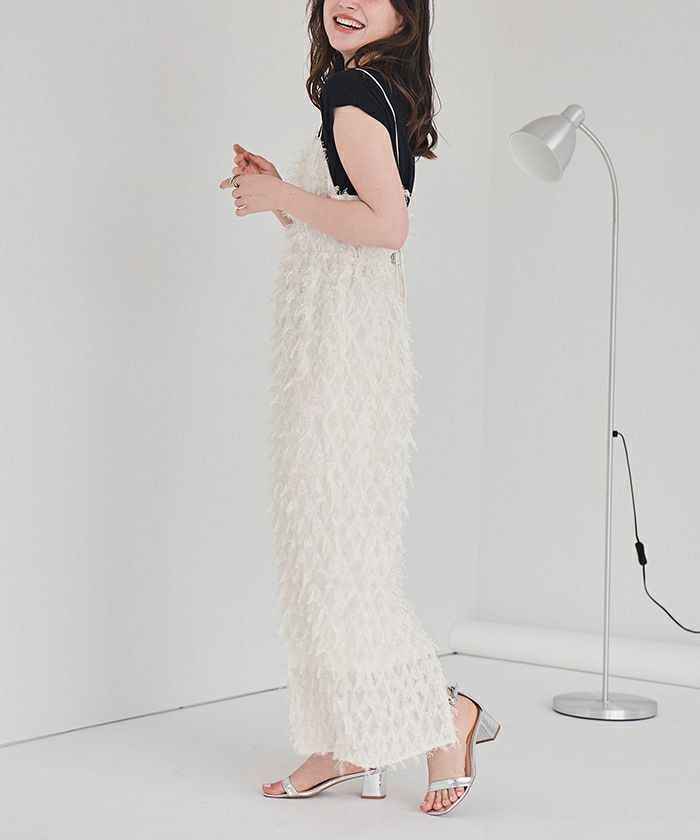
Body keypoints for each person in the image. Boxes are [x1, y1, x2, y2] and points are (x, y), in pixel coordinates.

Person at [219, 0, 500, 816]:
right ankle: (347, 736)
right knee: (323, 543)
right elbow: (343, 229)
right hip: (342, 332)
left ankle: (443, 715)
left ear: (403, 13)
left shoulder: (353, 90)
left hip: (340, 344)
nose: (346, 1)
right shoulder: (369, 88)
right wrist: (284, 194)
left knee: (338, 547)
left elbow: (386, 227)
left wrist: (279, 192)